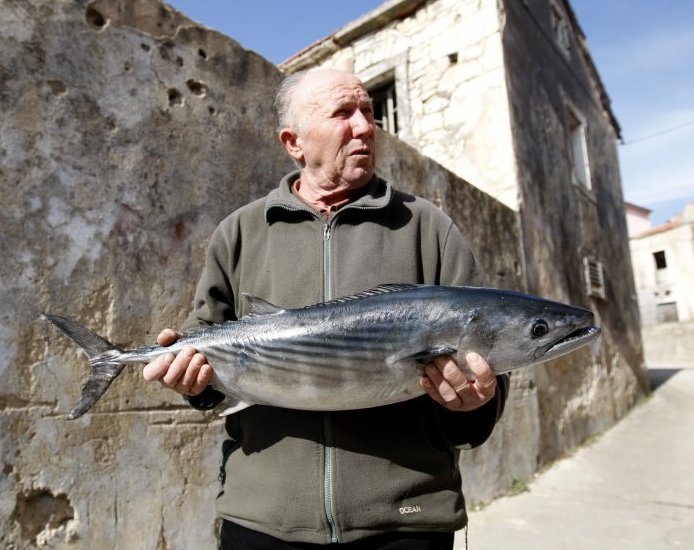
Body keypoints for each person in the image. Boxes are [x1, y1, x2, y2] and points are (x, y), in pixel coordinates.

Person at [143, 68, 509, 549]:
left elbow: (485, 364)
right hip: (263, 522)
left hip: (407, 523)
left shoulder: (428, 227)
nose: (364, 127)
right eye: (342, 113)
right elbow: (205, 337)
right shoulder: (240, 231)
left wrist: (477, 403)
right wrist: (193, 383)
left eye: (369, 112)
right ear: (294, 142)